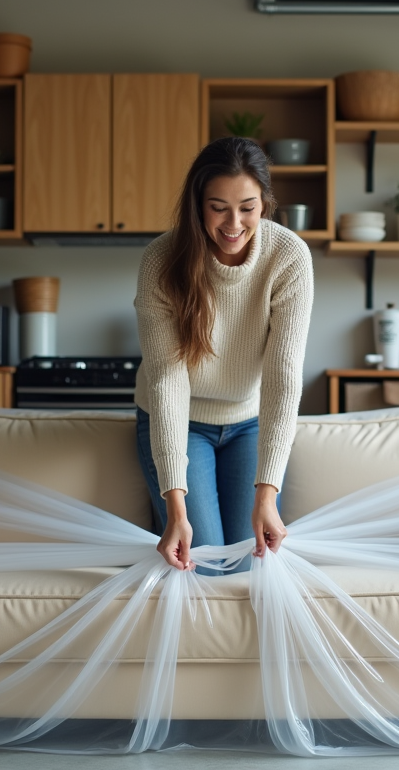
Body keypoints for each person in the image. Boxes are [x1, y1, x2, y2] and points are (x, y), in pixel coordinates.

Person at [134, 137, 314, 572]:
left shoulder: (288, 256)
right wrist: (176, 508)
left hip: (247, 421)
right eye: (218, 207)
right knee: (211, 564)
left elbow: (284, 376)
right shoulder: (162, 261)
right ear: (197, 204)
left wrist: (267, 493)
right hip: (180, 421)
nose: (234, 223)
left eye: (248, 207)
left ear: (265, 204)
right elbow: (167, 383)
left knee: (253, 562)